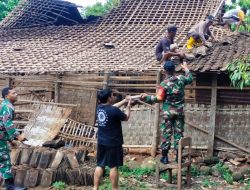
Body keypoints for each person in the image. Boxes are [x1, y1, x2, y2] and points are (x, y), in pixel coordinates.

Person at [140, 61, 193, 164]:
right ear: (174, 69)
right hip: (179, 113)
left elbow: (159, 98)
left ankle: (164, 157)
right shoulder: (181, 79)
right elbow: (190, 78)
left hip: (167, 113)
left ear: (164, 71)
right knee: (179, 134)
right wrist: (186, 68)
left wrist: (147, 97)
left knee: (166, 134)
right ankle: (179, 157)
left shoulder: (164, 84)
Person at [94, 89, 131, 190]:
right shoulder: (113, 110)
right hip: (113, 143)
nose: (113, 97)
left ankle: (95, 188)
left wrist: (124, 100)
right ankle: (115, 189)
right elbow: (126, 117)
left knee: (100, 164)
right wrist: (128, 106)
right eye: (112, 95)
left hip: (101, 141)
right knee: (113, 166)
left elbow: (112, 107)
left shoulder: (99, 108)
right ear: (109, 98)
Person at [0, 87, 26, 190]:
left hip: (2, 138)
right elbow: (7, 124)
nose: (16, 94)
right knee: (5, 161)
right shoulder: (7, 106)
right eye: (13, 93)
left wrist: (10, 141)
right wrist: (17, 136)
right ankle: (9, 186)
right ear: (7, 96)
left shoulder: (6, 105)